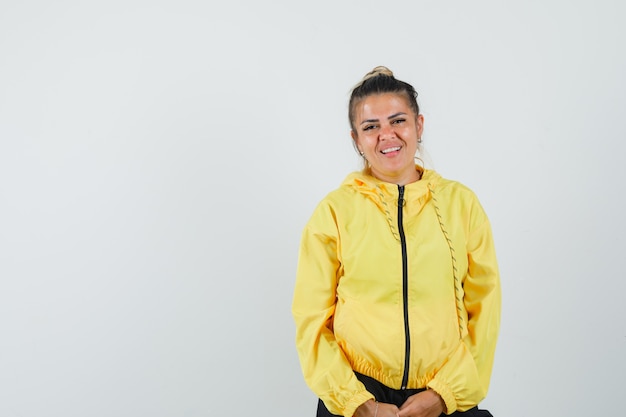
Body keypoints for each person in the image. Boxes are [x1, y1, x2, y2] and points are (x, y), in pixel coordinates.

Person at [292, 66, 501, 417]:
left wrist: (444, 394)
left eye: (397, 120)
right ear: (356, 139)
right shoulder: (334, 212)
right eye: (371, 127)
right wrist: (357, 403)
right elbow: (311, 320)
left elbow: (485, 311)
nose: (386, 135)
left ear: (419, 125)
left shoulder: (461, 205)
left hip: (445, 393)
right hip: (358, 394)